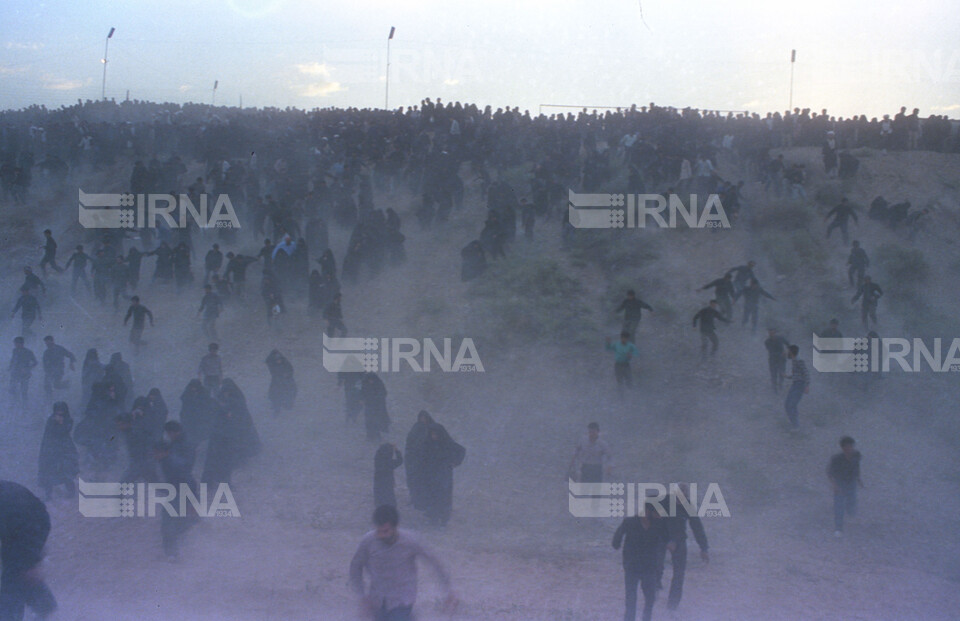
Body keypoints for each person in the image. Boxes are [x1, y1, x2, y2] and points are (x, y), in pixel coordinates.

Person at [349, 505, 456, 621]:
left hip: (402, 600)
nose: (381, 535)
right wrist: (361, 596)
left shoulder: (410, 541)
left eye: (386, 531)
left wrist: (448, 590)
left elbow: (434, 563)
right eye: (378, 531)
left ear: (395, 527)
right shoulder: (368, 541)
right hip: (377, 601)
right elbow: (355, 567)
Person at [0, 480, 57, 621]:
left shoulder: (8, 499)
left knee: (15, 574)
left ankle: (10, 616)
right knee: (22, 570)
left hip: (25, 528)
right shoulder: (8, 490)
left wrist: (30, 558)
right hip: (36, 522)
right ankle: (45, 606)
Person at [613, 501, 673, 621]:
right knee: (631, 599)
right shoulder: (630, 522)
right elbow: (616, 539)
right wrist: (617, 543)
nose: (660, 516)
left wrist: (671, 544)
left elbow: (669, 539)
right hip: (632, 565)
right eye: (657, 513)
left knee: (650, 599)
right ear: (647, 512)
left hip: (649, 566)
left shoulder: (659, 524)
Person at [662, 484, 709, 611]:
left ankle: (672, 606)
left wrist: (703, 548)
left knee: (679, 574)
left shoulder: (687, 505)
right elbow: (654, 523)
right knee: (655, 567)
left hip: (679, 541)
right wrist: (667, 540)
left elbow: (697, 526)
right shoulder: (664, 502)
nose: (682, 496)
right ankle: (655, 589)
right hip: (661, 539)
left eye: (685, 494)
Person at [155, 421, 197, 561]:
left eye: (157, 453)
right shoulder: (168, 461)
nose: (155, 456)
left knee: (168, 523)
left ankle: (172, 553)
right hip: (177, 494)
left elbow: (188, 481)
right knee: (175, 522)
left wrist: (192, 502)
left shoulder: (174, 464)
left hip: (179, 495)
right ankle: (173, 549)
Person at [419, 423, 465, 526]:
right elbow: (423, 458)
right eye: (432, 434)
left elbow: (461, 450)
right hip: (430, 475)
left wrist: (455, 462)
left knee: (444, 497)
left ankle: (444, 519)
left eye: (436, 434)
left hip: (444, 475)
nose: (434, 436)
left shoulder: (447, 443)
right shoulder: (427, 444)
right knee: (432, 497)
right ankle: (433, 518)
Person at [37, 402, 79, 500]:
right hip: (51, 450)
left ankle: (71, 492)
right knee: (48, 472)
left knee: (66, 472)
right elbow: (49, 435)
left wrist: (60, 423)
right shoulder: (50, 420)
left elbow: (63, 432)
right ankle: (48, 494)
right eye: (58, 411)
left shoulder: (68, 420)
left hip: (64, 451)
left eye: (62, 411)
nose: (59, 413)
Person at [828, 436, 863, 537]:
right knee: (838, 506)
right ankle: (838, 529)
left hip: (852, 482)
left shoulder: (857, 455)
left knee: (852, 502)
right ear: (842, 448)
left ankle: (851, 515)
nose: (849, 449)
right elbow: (829, 473)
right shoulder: (836, 459)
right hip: (839, 483)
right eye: (847, 447)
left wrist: (859, 479)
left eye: (851, 447)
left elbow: (857, 467)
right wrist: (834, 485)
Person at [404, 410, 435, 511]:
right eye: (421, 417)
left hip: (425, 461)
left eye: (424, 417)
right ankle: (415, 498)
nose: (423, 420)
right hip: (414, 459)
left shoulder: (433, 428)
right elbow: (410, 442)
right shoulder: (416, 428)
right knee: (414, 480)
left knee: (424, 482)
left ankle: (424, 501)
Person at [784, 345, 809, 430]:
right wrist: (788, 377)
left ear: (791, 352)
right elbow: (797, 374)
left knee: (791, 405)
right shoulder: (795, 361)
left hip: (799, 385)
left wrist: (806, 386)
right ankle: (794, 424)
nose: (787, 353)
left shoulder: (799, 361)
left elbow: (806, 374)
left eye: (788, 351)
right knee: (788, 404)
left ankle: (796, 425)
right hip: (795, 384)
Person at [265, 349, 297, 415]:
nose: (279, 361)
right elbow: (272, 370)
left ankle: (287, 405)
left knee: (289, 393)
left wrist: (287, 375)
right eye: (277, 360)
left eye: (279, 360)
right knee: (275, 394)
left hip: (287, 381)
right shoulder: (272, 363)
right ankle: (277, 408)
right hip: (276, 381)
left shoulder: (285, 363)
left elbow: (290, 370)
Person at [8, 337, 37, 406]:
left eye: (17, 343)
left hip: (24, 374)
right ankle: (15, 402)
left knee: (24, 391)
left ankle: (24, 405)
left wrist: (27, 368)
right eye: (15, 343)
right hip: (15, 373)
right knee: (12, 388)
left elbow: (35, 362)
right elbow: (13, 360)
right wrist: (9, 367)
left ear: (21, 343)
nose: (15, 345)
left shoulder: (28, 352)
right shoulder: (14, 350)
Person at [374, 443, 404, 508]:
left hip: (378, 480)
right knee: (389, 497)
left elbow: (379, 452)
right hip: (388, 482)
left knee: (379, 497)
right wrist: (396, 450)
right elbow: (400, 460)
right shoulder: (389, 462)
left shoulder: (378, 459)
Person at [764, 329, 789, 393]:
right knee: (773, 374)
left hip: (782, 359)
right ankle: (774, 387)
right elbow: (771, 351)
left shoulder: (781, 338)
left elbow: (788, 344)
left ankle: (780, 385)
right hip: (773, 359)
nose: (772, 334)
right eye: (770, 333)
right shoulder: (767, 342)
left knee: (781, 373)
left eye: (773, 333)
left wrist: (787, 351)